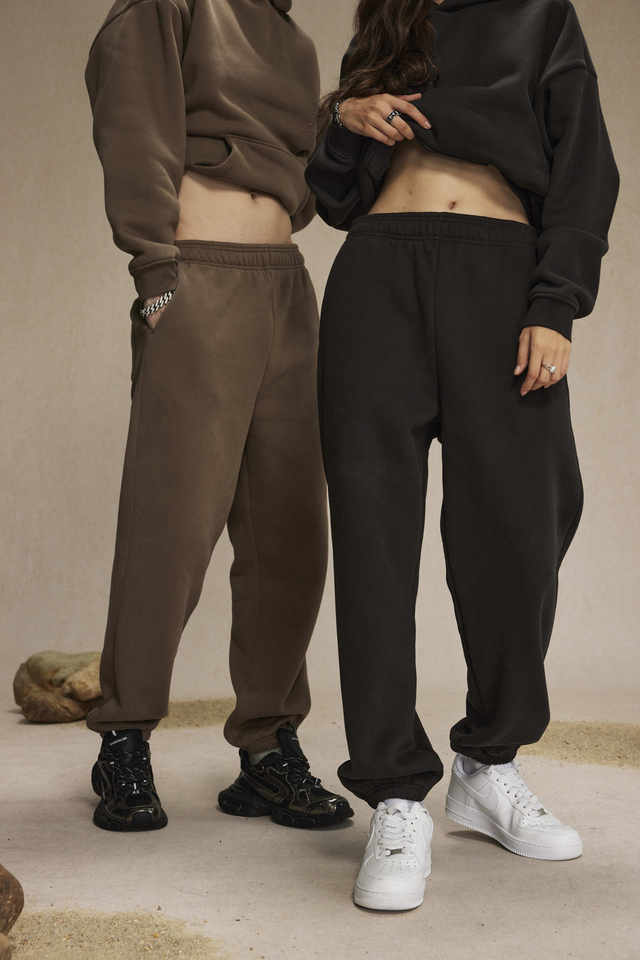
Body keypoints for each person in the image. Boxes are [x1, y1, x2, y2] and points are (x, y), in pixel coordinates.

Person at [306, 0, 618, 910]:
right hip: (379, 277)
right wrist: (343, 119)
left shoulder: (541, 16)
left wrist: (556, 302)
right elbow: (336, 200)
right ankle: (396, 796)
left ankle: (487, 764)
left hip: (502, 278)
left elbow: (585, 167)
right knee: (373, 542)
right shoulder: (389, 15)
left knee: (522, 528)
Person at [84, 0, 353, 832]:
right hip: (196, 276)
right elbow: (132, 119)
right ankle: (124, 736)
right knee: (172, 523)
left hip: (287, 287)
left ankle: (267, 748)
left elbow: (303, 176)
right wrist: (154, 266)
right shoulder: (172, 5)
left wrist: (345, 120)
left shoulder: (294, 39)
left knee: (290, 534)